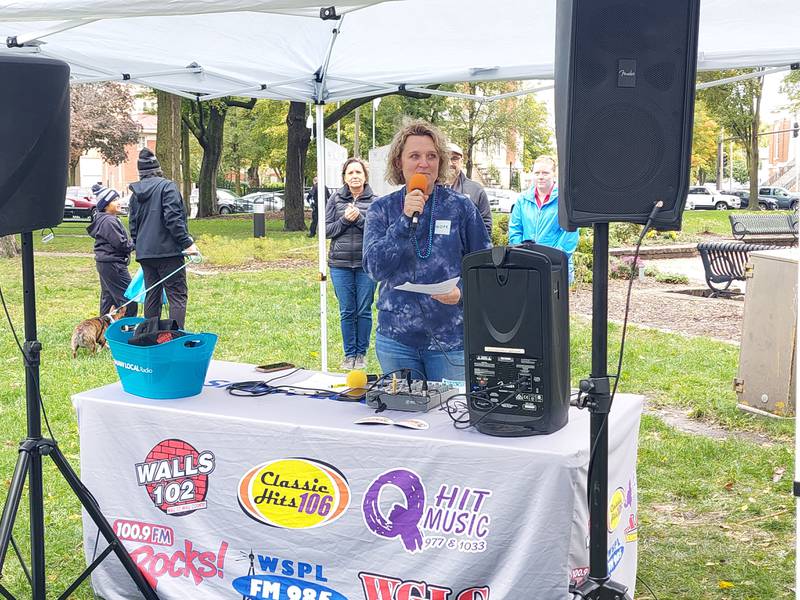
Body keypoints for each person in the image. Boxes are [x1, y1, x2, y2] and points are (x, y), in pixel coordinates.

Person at [363, 120, 491, 382]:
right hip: (396, 338)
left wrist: (463, 291)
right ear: (399, 162)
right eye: (415, 156)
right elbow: (375, 269)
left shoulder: (461, 208)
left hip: (450, 338)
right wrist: (403, 220)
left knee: (448, 418)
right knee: (401, 418)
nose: (424, 163)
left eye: (431, 156)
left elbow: (485, 267)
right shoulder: (381, 209)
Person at [128, 148, 199, 329]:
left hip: (146, 254)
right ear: (157, 168)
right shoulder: (168, 187)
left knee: (152, 294)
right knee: (177, 295)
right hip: (168, 252)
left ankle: (150, 337)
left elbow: (133, 225)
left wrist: (139, 245)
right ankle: (174, 338)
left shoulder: (135, 194)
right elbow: (173, 220)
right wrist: (187, 243)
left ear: (141, 172)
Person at [326, 158, 378, 370]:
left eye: (358, 172)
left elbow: (379, 232)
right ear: (344, 178)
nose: (355, 176)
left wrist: (359, 219)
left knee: (363, 310)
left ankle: (361, 354)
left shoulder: (376, 201)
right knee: (347, 310)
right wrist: (345, 220)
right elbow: (326, 230)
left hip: (366, 265)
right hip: (340, 265)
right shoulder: (335, 200)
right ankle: (349, 355)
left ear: (365, 176)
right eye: (350, 173)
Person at [508, 155, 579, 281]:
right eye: (537, 173)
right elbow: (515, 230)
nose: (540, 176)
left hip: (556, 267)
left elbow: (570, 235)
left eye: (545, 173)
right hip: (528, 266)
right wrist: (521, 255)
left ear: (554, 174)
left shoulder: (564, 200)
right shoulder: (522, 200)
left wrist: (552, 258)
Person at [86, 186, 137, 317]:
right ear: (106, 205)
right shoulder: (108, 221)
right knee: (129, 299)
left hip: (105, 263)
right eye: (114, 200)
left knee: (108, 299)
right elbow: (121, 244)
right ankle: (128, 332)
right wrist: (136, 243)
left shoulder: (104, 219)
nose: (119, 202)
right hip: (113, 264)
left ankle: (102, 330)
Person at [445, 142, 492, 236]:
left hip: (468, 250)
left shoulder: (476, 190)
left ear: (461, 161)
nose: (450, 163)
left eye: (454, 158)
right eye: (446, 158)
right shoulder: (431, 189)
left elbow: (486, 226)